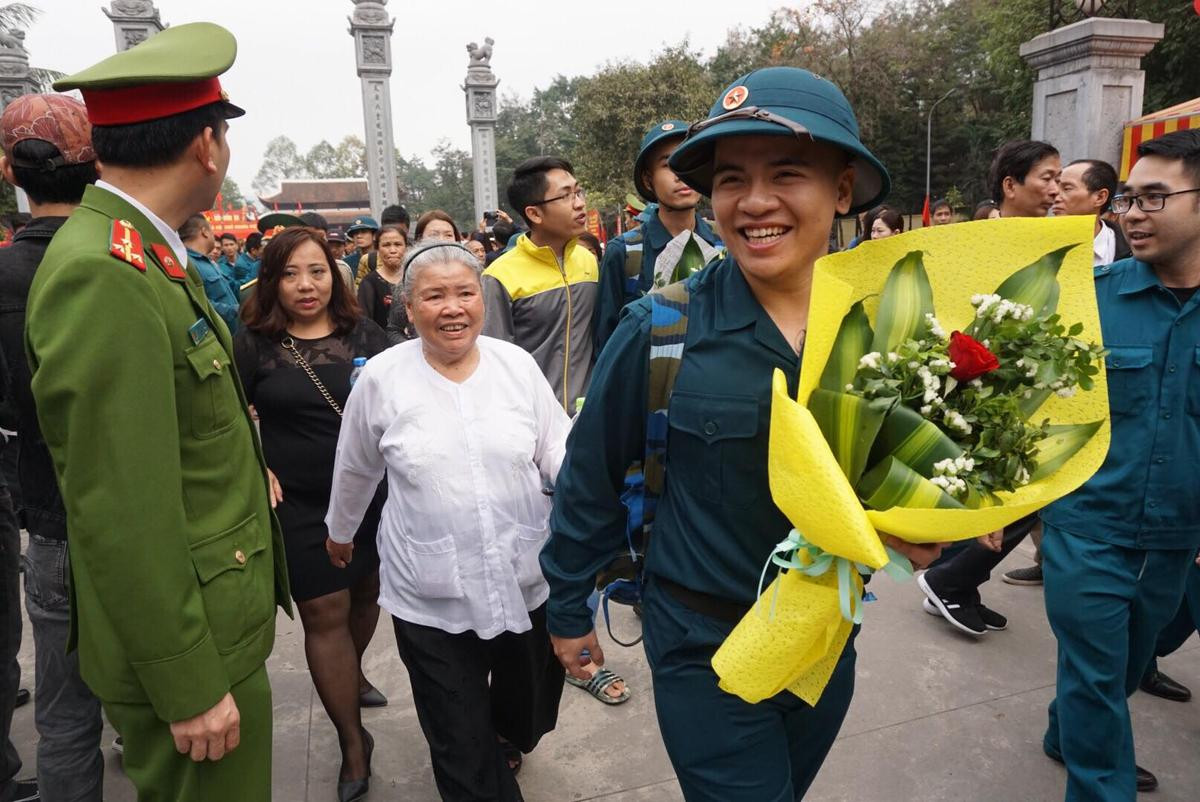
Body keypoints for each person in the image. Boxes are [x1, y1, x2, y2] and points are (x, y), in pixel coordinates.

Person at [540, 66, 943, 801]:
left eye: (786, 172)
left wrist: (926, 525)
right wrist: (565, 606)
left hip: (826, 636)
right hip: (705, 648)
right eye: (731, 179)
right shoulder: (662, 328)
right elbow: (587, 475)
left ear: (843, 190)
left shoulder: (893, 327)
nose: (754, 203)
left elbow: (906, 467)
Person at [24, 24, 289, 801]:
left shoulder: (139, 251)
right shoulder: (104, 273)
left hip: (210, 618)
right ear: (208, 146)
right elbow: (119, 506)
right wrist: (187, 684)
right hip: (190, 648)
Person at [326, 240, 569, 802]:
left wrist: (587, 503)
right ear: (409, 309)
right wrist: (341, 531)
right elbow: (355, 466)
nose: (453, 307)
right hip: (431, 591)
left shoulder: (516, 366)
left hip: (524, 575)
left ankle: (504, 735)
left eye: (465, 292)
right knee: (459, 740)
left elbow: (557, 447)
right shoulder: (382, 379)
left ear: (481, 299)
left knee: (528, 708)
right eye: (434, 296)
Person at [1038, 128, 1200, 799]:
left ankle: (1065, 730)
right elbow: (1033, 406)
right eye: (1129, 198)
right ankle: (1098, 777)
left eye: (1154, 198)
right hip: (1086, 530)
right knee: (1099, 677)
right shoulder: (1087, 298)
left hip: (1173, 537)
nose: (1131, 212)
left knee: (1126, 665)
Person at [234, 227, 389, 802]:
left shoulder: (368, 335)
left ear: (336, 273)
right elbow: (222, 413)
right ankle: (353, 742)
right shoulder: (252, 342)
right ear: (271, 281)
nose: (306, 285)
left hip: (373, 497)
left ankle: (353, 670)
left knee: (368, 595)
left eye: (317, 271)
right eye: (290, 274)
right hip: (298, 502)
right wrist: (255, 465)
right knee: (325, 609)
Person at [0, 92, 105, 802]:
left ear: (14, 173)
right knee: (163, 704)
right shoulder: (122, 261)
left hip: (49, 516)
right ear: (95, 167)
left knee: (64, 717)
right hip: (131, 514)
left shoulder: (4, 274)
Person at [917, 139, 1063, 635]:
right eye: (1046, 176)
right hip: (980, 383)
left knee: (1013, 494)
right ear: (1010, 185)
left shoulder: (1055, 242)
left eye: (1060, 177)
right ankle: (950, 579)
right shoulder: (976, 244)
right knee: (1003, 493)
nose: (1055, 187)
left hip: (1033, 384)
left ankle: (959, 585)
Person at [482, 156, 599, 415]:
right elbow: (493, 363)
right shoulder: (500, 276)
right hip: (532, 423)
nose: (580, 204)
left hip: (587, 417)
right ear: (534, 213)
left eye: (578, 192)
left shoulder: (589, 262)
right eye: (566, 196)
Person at [594, 121, 721, 354]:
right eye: (669, 164)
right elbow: (607, 342)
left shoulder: (725, 242)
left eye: (689, 162)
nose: (682, 175)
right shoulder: (625, 253)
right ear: (647, 180)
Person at [1051, 158, 1131, 267]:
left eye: (1067, 189)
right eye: (1056, 188)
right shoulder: (1035, 243)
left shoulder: (1132, 252)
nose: (1055, 196)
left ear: (1100, 197)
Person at [180, 214, 241, 333]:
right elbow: (199, 304)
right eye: (212, 231)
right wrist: (235, 310)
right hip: (222, 336)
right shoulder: (187, 263)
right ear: (204, 232)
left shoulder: (207, 262)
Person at [357, 223, 406, 329]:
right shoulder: (369, 282)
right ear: (377, 249)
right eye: (386, 245)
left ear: (406, 247)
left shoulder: (414, 279)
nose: (393, 250)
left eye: (398, 244)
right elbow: (364, 323)